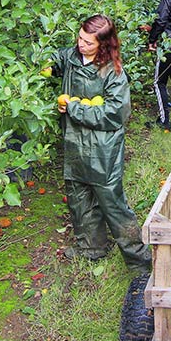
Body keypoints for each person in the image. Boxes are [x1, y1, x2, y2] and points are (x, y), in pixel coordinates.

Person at [50, 14, 151, 273]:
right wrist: (46, 63)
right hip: (74, 143)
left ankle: (139, 260)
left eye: (88, 43)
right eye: (80, 38)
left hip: (101, 148)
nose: (81, 45)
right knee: (79, 198)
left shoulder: (112, 72)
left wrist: (74, 107)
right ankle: (92, 248)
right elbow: (54, 58)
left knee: (112, 203)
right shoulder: (71, 57)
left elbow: (116, 113)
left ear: (103, 46)